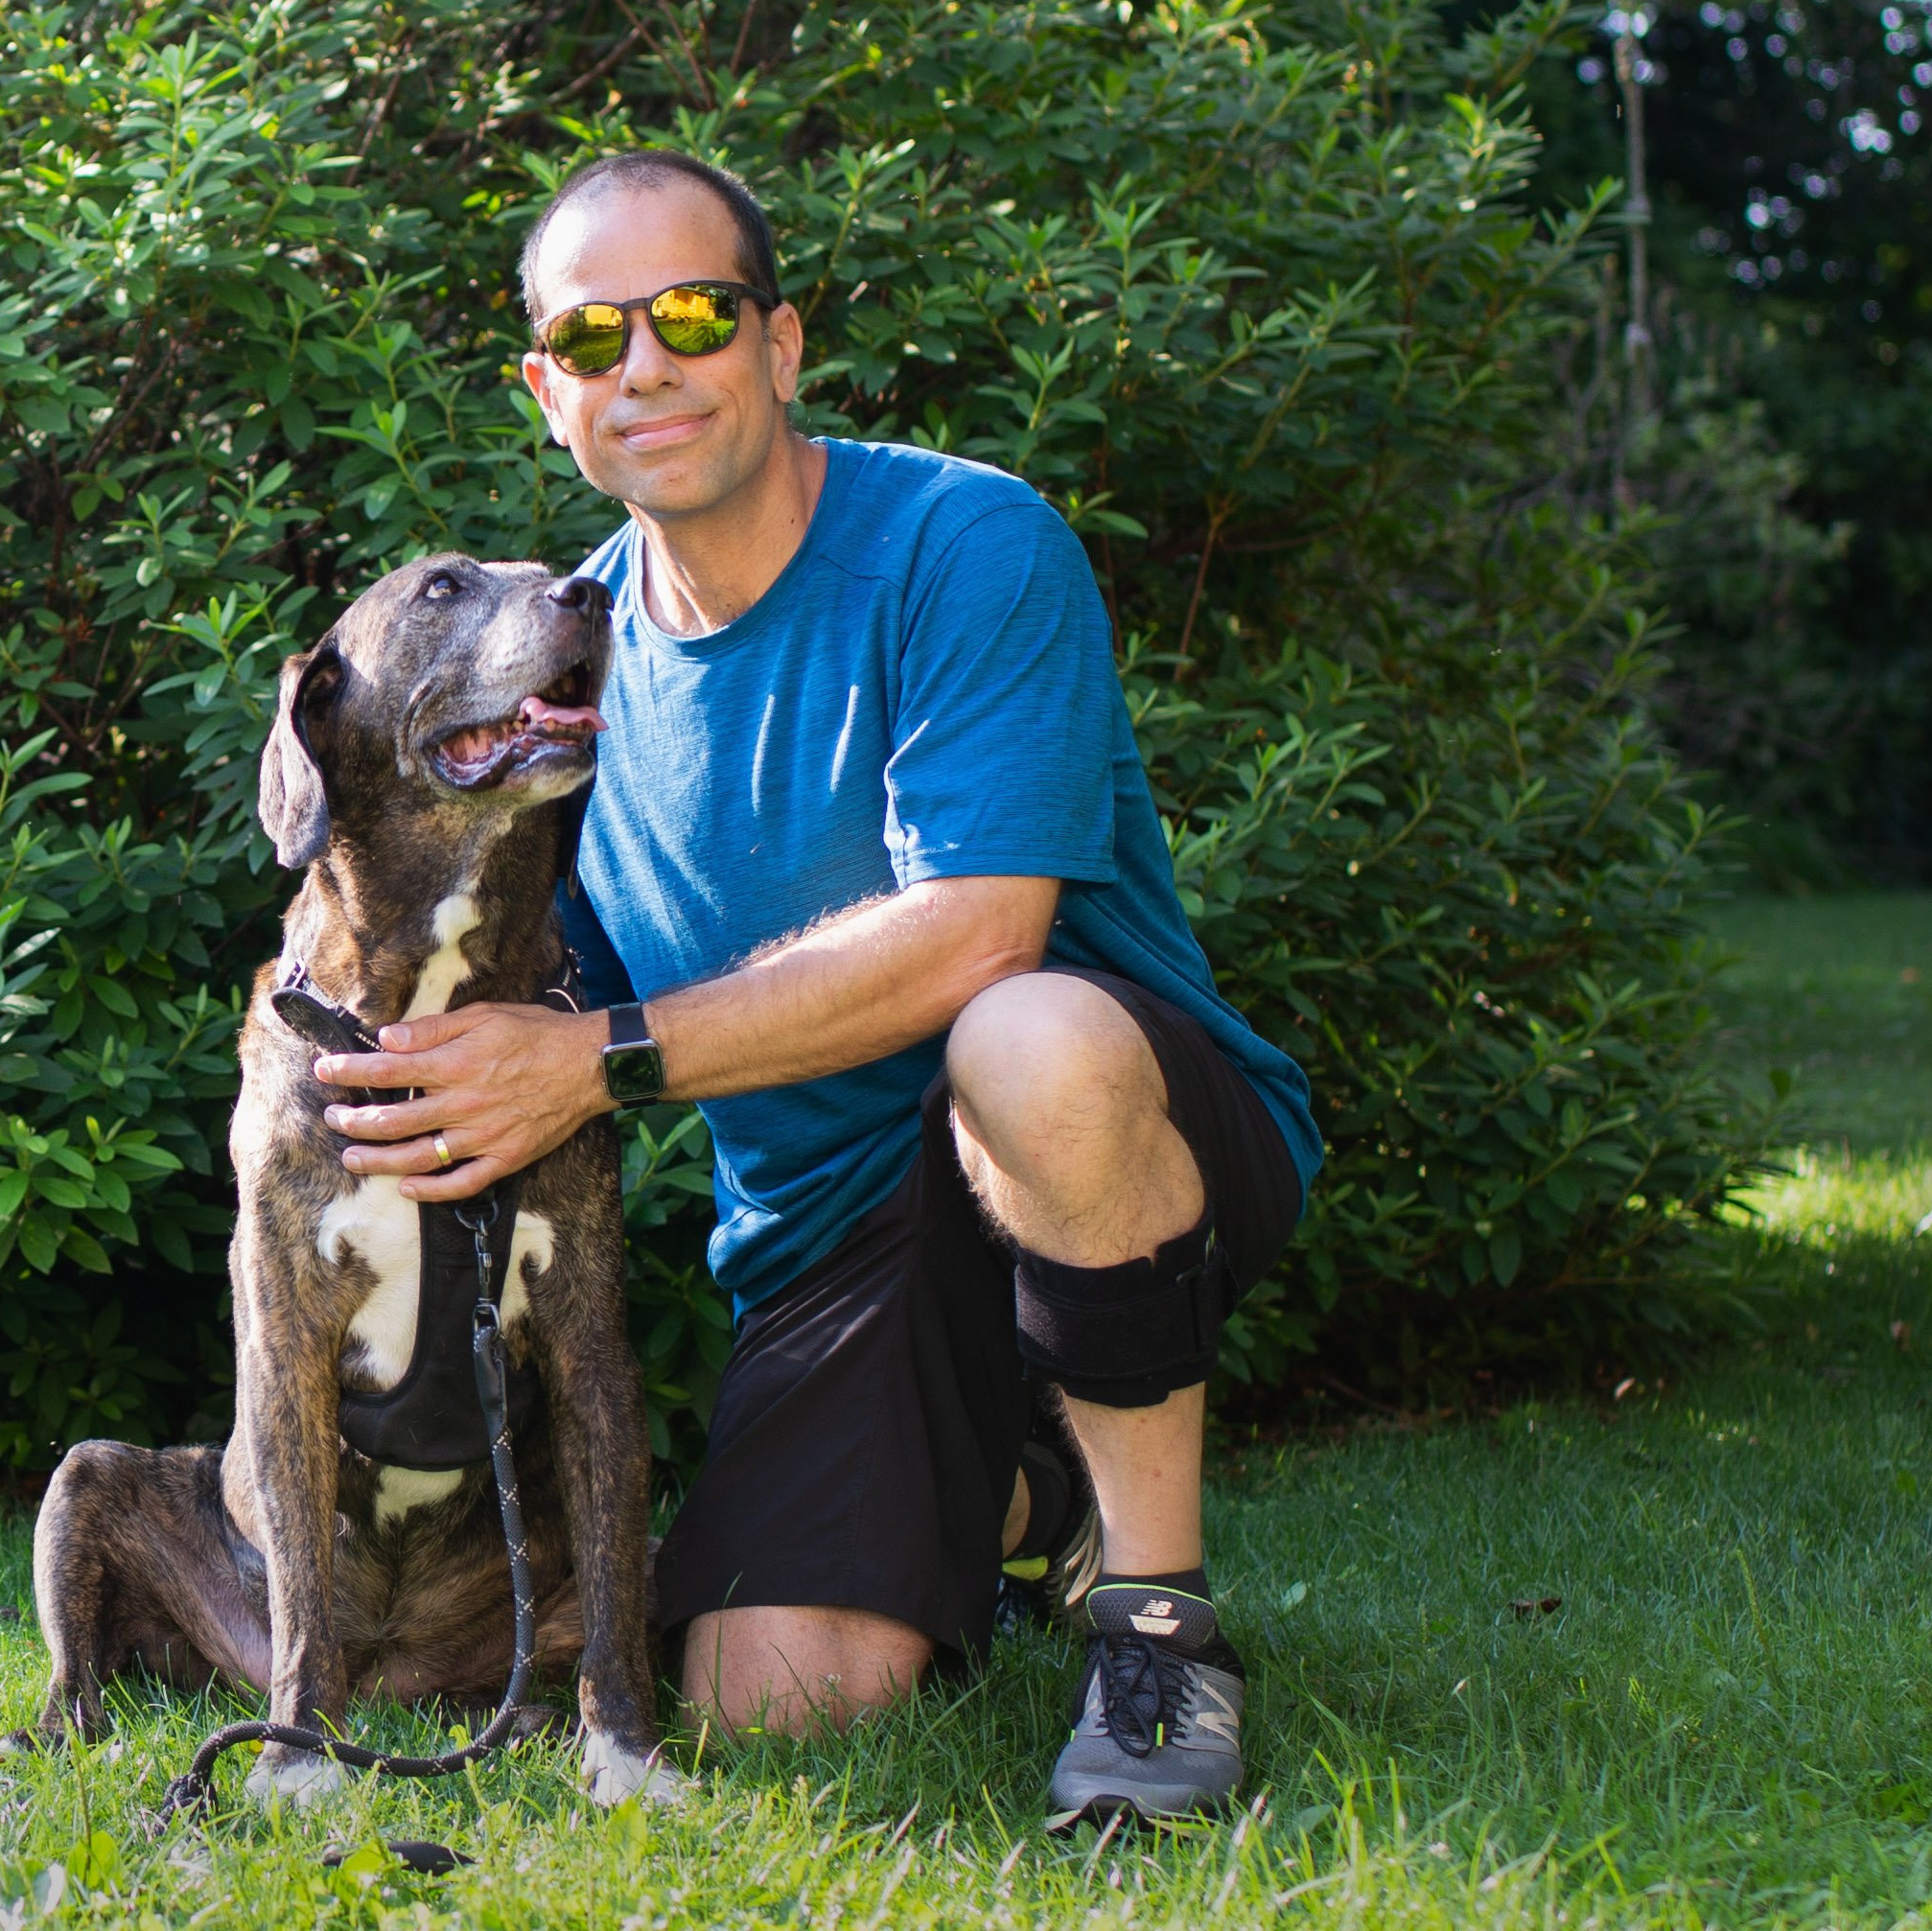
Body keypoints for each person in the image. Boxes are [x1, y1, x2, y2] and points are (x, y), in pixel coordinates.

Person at [309, 149, 1323, 1824]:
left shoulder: (964, 543)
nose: (646, 366)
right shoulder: (568, 670)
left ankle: (1160, 1630)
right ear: (542, 391)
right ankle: (1036, 1499)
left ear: (779, 346)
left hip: (1110, 1127)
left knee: (1028, 1034)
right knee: (775, 1702)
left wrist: (597, 1062)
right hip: (834, 1234)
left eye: (693, 316)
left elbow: (978, 932)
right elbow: (542, 980)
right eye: (591, 340)